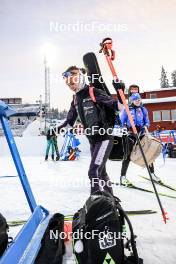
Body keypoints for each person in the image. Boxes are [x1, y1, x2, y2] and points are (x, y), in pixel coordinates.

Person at [53, 65, 123, 194]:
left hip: (104, 138)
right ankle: (109, 200)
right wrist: (55, 131)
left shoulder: (93, 92)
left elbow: (118, 107)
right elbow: (69, 122)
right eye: (68, 84)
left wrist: (120, 92)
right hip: (93, 140)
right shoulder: (75, 99)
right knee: (101, 172)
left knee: (94, 171)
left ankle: (96, 200)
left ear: (80, 77)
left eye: (73, 81)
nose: (71, 85)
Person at [120, 92, 161, 186]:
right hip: (130, 135)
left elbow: (147, 121)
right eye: (135, 100)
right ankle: (123, 177)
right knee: (127, 156)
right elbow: (122, 122)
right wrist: (126, 127)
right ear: (132, 101)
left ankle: (152, 174)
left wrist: (145, 126)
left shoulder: (143, 109)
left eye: (139, 100)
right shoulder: (127, 109)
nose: (138, 102)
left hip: (141, 134)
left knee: (148, 153)